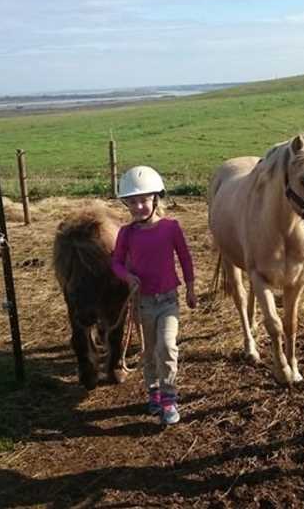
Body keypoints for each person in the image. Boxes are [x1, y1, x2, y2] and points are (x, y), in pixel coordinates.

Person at [111, 165, 197, 426]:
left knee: (167, 347)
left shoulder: (171, 227)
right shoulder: (126, 233)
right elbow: (115, 263)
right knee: (149, 352)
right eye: (132, 202)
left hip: (169, 300)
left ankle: (169, 397)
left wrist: (191, 288)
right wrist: (127, 276)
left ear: (155, 199)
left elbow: (184, 257)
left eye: (143, 201)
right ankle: (153, 390)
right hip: (143, 303)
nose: (138, 207)